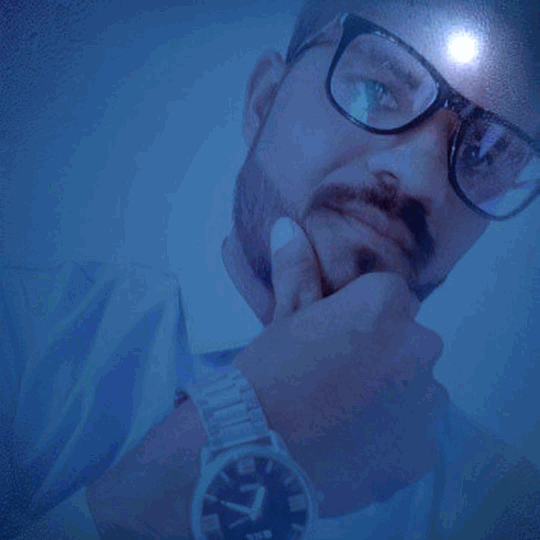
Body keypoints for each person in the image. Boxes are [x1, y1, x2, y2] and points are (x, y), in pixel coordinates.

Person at [2, 0, 539, 538]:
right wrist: (241, 424)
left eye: (486, 154)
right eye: (377, 90)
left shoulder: (502, 512)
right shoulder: (22, 344)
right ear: (263, 103)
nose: (422, 179)